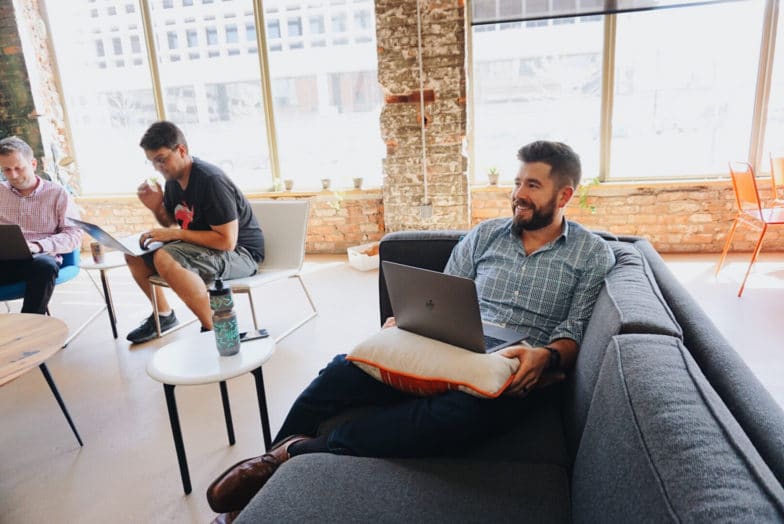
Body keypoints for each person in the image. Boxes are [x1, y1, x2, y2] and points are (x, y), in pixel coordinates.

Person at [205, 140, 616, 522]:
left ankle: (296, 454)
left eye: (532, 184)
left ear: (564, 196)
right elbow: (446, 291)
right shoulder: (486, 234)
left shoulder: (591, 254)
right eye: (516, 182)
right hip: (451, 340)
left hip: (511, 363)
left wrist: (547, 356)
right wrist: (411, 318)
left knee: (460, 415)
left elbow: (574, 327)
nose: (518, 193)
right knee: (340, 370)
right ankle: (264, 470)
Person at [125, 121, 265, 344]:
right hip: (204, 248)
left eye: (161, 159)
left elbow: (227, 241)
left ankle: (216, 330)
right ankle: (164, 315)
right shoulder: (172, 181)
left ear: (181, 150)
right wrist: (156, 207)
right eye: (152, 162)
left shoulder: (211, 180)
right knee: (134, 254)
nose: (157, 167)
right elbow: (173, 221)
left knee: (164, 256)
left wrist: (174, 235)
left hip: (242, 254)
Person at [0, 136, 82, 314]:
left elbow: (73, 235)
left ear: (33, 164)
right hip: (3, 262)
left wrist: (38, 246)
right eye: (6, 170)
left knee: (45, 265)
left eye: (18, 168)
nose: (13, 175)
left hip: (37, 261)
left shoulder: (57, 194)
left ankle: (31, 329)